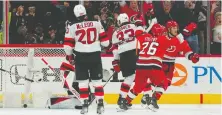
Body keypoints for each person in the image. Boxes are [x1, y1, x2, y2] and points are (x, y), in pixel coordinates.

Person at [140, 20, 200, 106]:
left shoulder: (179, 39)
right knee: (156, 81)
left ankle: (153, 99)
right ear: (168, 29)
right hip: (159, 62)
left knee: (166, 83)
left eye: (176, 28)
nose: (176, 30)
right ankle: (147, 95)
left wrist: (192, 56)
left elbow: (186, 50)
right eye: (174, 28)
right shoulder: (161, 37)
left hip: (170, 64)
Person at [63, 4, 110, 115]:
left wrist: (70, 55)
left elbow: (67, 47)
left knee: (83, 83)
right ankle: (100, 105)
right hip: (95, 55)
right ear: (85, 13)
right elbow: (106, 43)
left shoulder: (72, 27)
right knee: (97, 82)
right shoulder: (97, 24)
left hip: (80, 56)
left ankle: (85, 105)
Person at [118, 24, 169, 112]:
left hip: (140, 65)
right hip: (153, 65)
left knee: (138, 87)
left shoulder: (143, 37)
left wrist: (143, 31)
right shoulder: (164, 39)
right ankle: (154, 100)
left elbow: (138, 33)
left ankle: (126, 101)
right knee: (163, 83)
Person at [111, 13, 144, 108]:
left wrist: (116, 61)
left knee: (129, 77)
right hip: (135, 52)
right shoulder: (134, 26)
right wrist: (139, 24)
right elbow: (142, 33)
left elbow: (115, 49)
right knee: (142, 75)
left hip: (123, 54)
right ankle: (146, 96)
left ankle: (121, 98)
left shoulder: (115, 32)